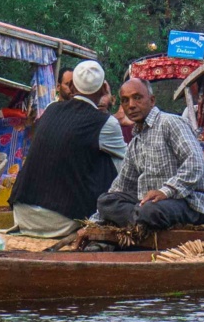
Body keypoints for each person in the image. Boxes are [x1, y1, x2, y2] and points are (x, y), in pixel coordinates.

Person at [90, 78, 204, 238]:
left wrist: (166, 191)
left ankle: (140, 220)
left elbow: (196, 164)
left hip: (190, 202)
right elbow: (121, 187)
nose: (131, 105)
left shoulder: (171, 123)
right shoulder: (135, 141)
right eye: (125, 100)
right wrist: (93, 223)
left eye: (137, 97)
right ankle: (140, 220)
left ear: (151, 100)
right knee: (105, 201)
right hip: (150, 206)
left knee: (150, 211)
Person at [9, 60, 124, 235]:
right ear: (103, 89)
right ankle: (108, 219)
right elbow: (129, 161)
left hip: (22, 214)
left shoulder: (50, 109)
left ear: (72, 86)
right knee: (114, 160)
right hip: (62, 219)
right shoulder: (105, 122)